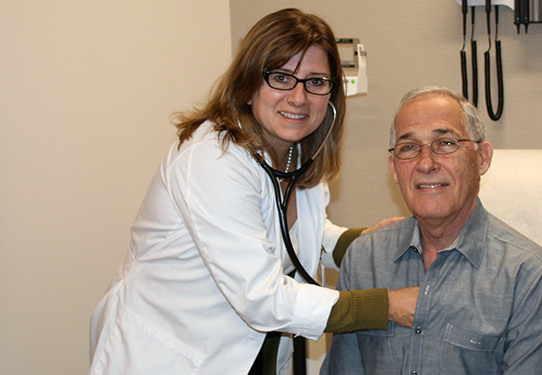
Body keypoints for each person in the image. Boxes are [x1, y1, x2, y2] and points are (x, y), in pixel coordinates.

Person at [89, 8, 417, 375]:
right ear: (247, 85)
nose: (299, 97)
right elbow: (260, 296)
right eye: (281, 77)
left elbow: (298, 233)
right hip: (173, 355)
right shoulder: (213, 160)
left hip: (247, 357)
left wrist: (364, 244)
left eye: (316, 82)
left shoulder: (295, 152)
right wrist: (385, 306)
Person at [321, 86, 542, 375]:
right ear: (394, 167)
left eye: (446, 143)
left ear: (482, 158)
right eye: (409, 148)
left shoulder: (530, 277)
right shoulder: (365, 258)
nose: (426, 163)